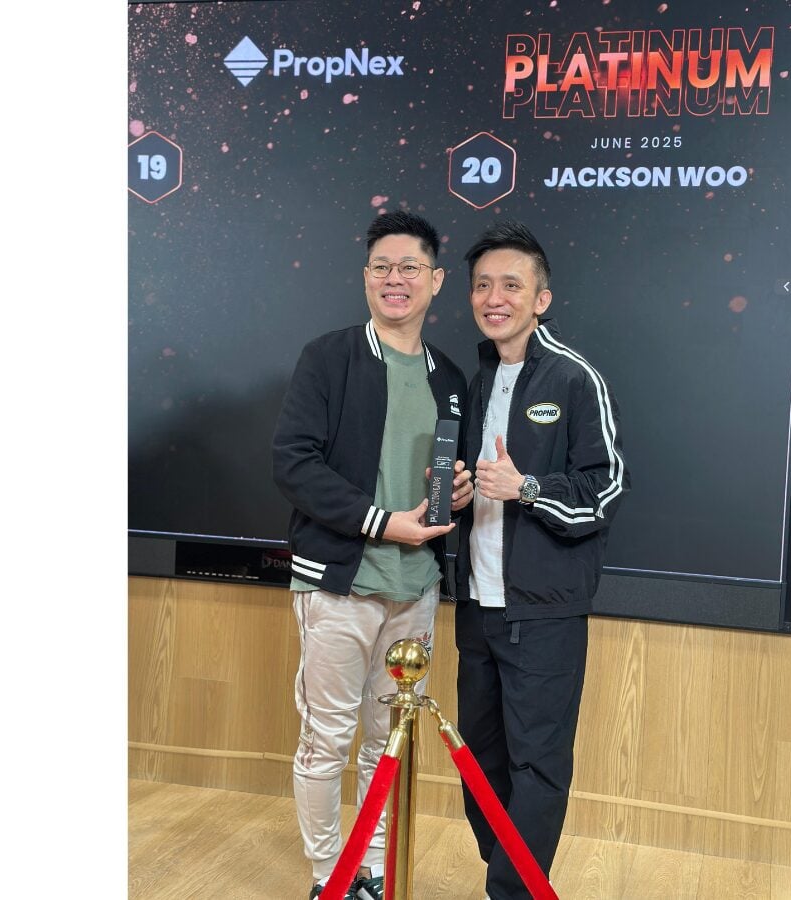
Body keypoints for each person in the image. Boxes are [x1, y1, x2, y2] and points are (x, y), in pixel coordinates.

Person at [272, 210, 473, 900]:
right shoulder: (329, 357)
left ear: (435, 281)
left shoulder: (450, 377)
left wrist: (459, 491)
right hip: (339, 584)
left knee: (388, 742)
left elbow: (444, 480)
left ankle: (374, 871)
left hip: (416, 588)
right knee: (326, 740)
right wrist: (383, 522)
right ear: (365, 278)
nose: (396, 279)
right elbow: (293, 463)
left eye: (410, 267)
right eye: (383, 267)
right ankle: (329, 879)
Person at [452, 221, 630, 900]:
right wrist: (460, 493)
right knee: (479, 761)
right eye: (483, 285)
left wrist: (527, 488)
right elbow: (477, 484)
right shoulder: (476, 380)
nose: (494, 298)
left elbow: (604, 489)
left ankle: (513, 892)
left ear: (541, 299)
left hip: (545, 613)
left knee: (538, 766)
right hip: (478, 608)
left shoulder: (575, 378)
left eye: (511, 285)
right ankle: (509, 876)